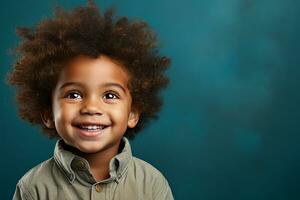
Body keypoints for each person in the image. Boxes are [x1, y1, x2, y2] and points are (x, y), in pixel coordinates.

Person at [8, 0, 173, 199]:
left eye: (110, 95)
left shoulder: (152, 184)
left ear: (132, 114)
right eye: (73, 95)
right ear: (48, 113)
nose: (91, 107)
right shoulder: (33, 188)